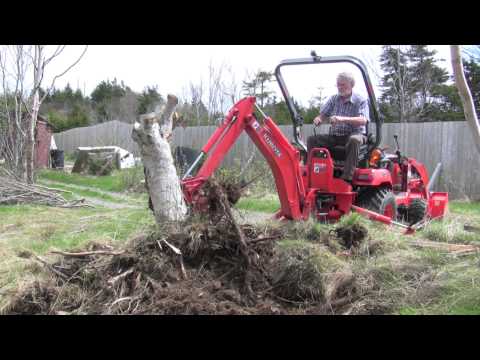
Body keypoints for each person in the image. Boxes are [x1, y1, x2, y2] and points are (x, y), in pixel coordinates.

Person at [307, 72, 369, 183]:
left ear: (351, 84)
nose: (340, 87)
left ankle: (346, 178)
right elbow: (323, 114)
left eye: (343, 85)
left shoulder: (361, 100)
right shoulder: (334, 99)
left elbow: (363, 120)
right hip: (335, 136)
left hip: (355, 134)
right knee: (312, 140)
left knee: (354, 140)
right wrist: (319, 119)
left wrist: (342, 119)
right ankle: (313, 172)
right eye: (338, 85)